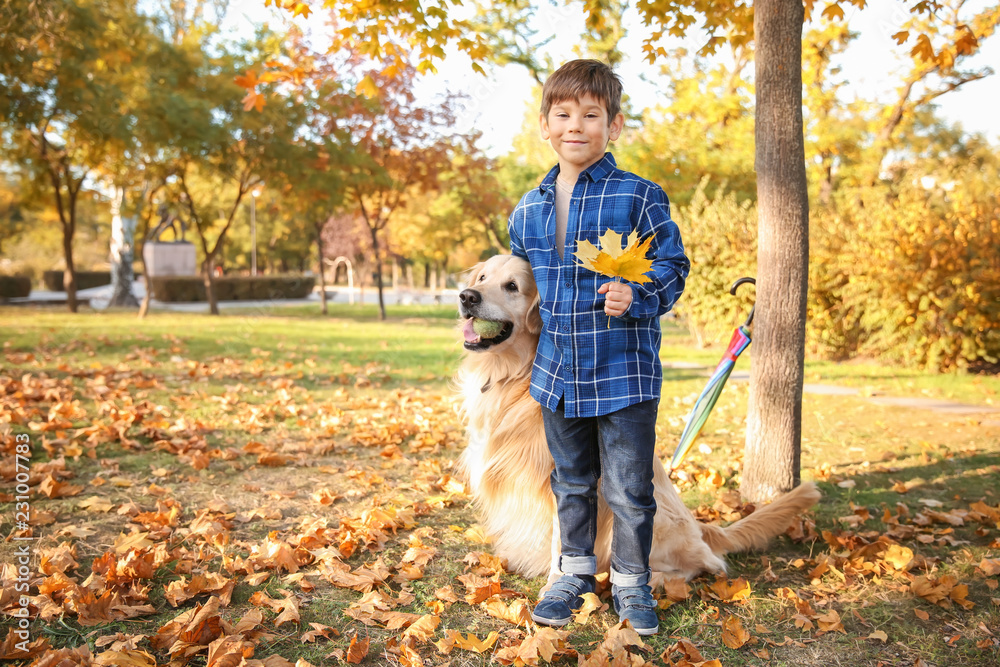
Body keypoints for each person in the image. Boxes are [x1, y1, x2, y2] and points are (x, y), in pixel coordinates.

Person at [507, 59, 689, 636]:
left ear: (615, 126)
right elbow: (523, 286)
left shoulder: (638, 195)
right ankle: (574, 573)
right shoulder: (528, 210)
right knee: (571, 482)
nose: (575, 126)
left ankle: (633, 583)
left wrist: (637, 293)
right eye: (563, 114)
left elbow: (675, 266)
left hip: (622, 372)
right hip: (557, 372)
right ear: (545, 124)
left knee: (631, 490)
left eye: (591, 114)